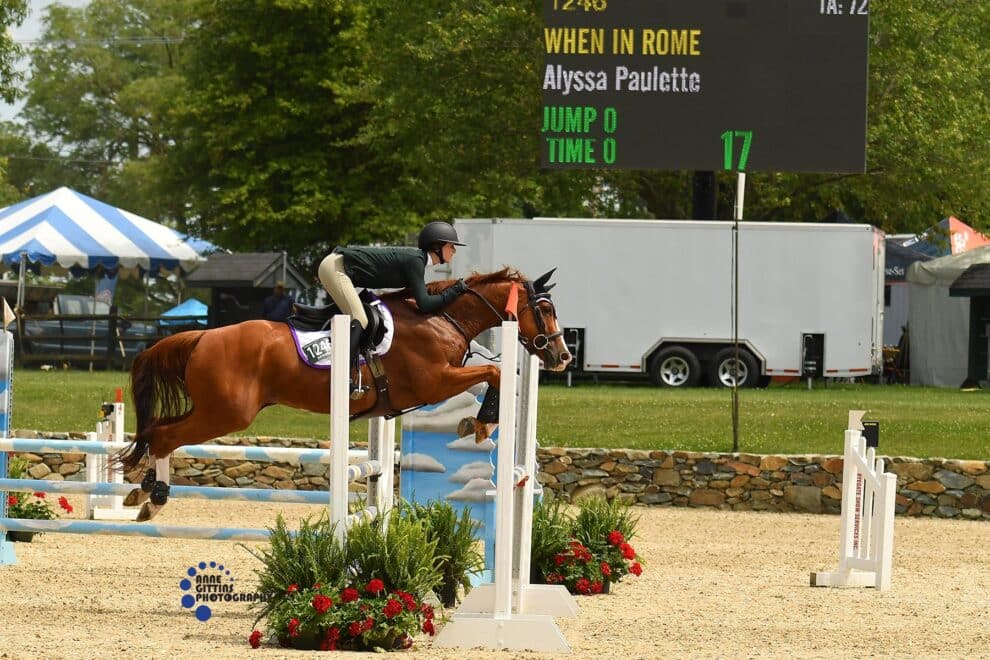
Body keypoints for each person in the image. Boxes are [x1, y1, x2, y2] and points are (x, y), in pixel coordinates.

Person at [318, 221, 468, 395]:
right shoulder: (416, 262)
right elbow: (425, 304)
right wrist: (455, 291)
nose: (454, 251)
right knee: (361, 317)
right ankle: (342, 377)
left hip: (338, 267)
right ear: (436, 247)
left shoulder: (416, 261)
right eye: (451, 246)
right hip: (336, 268)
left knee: (361, 315)